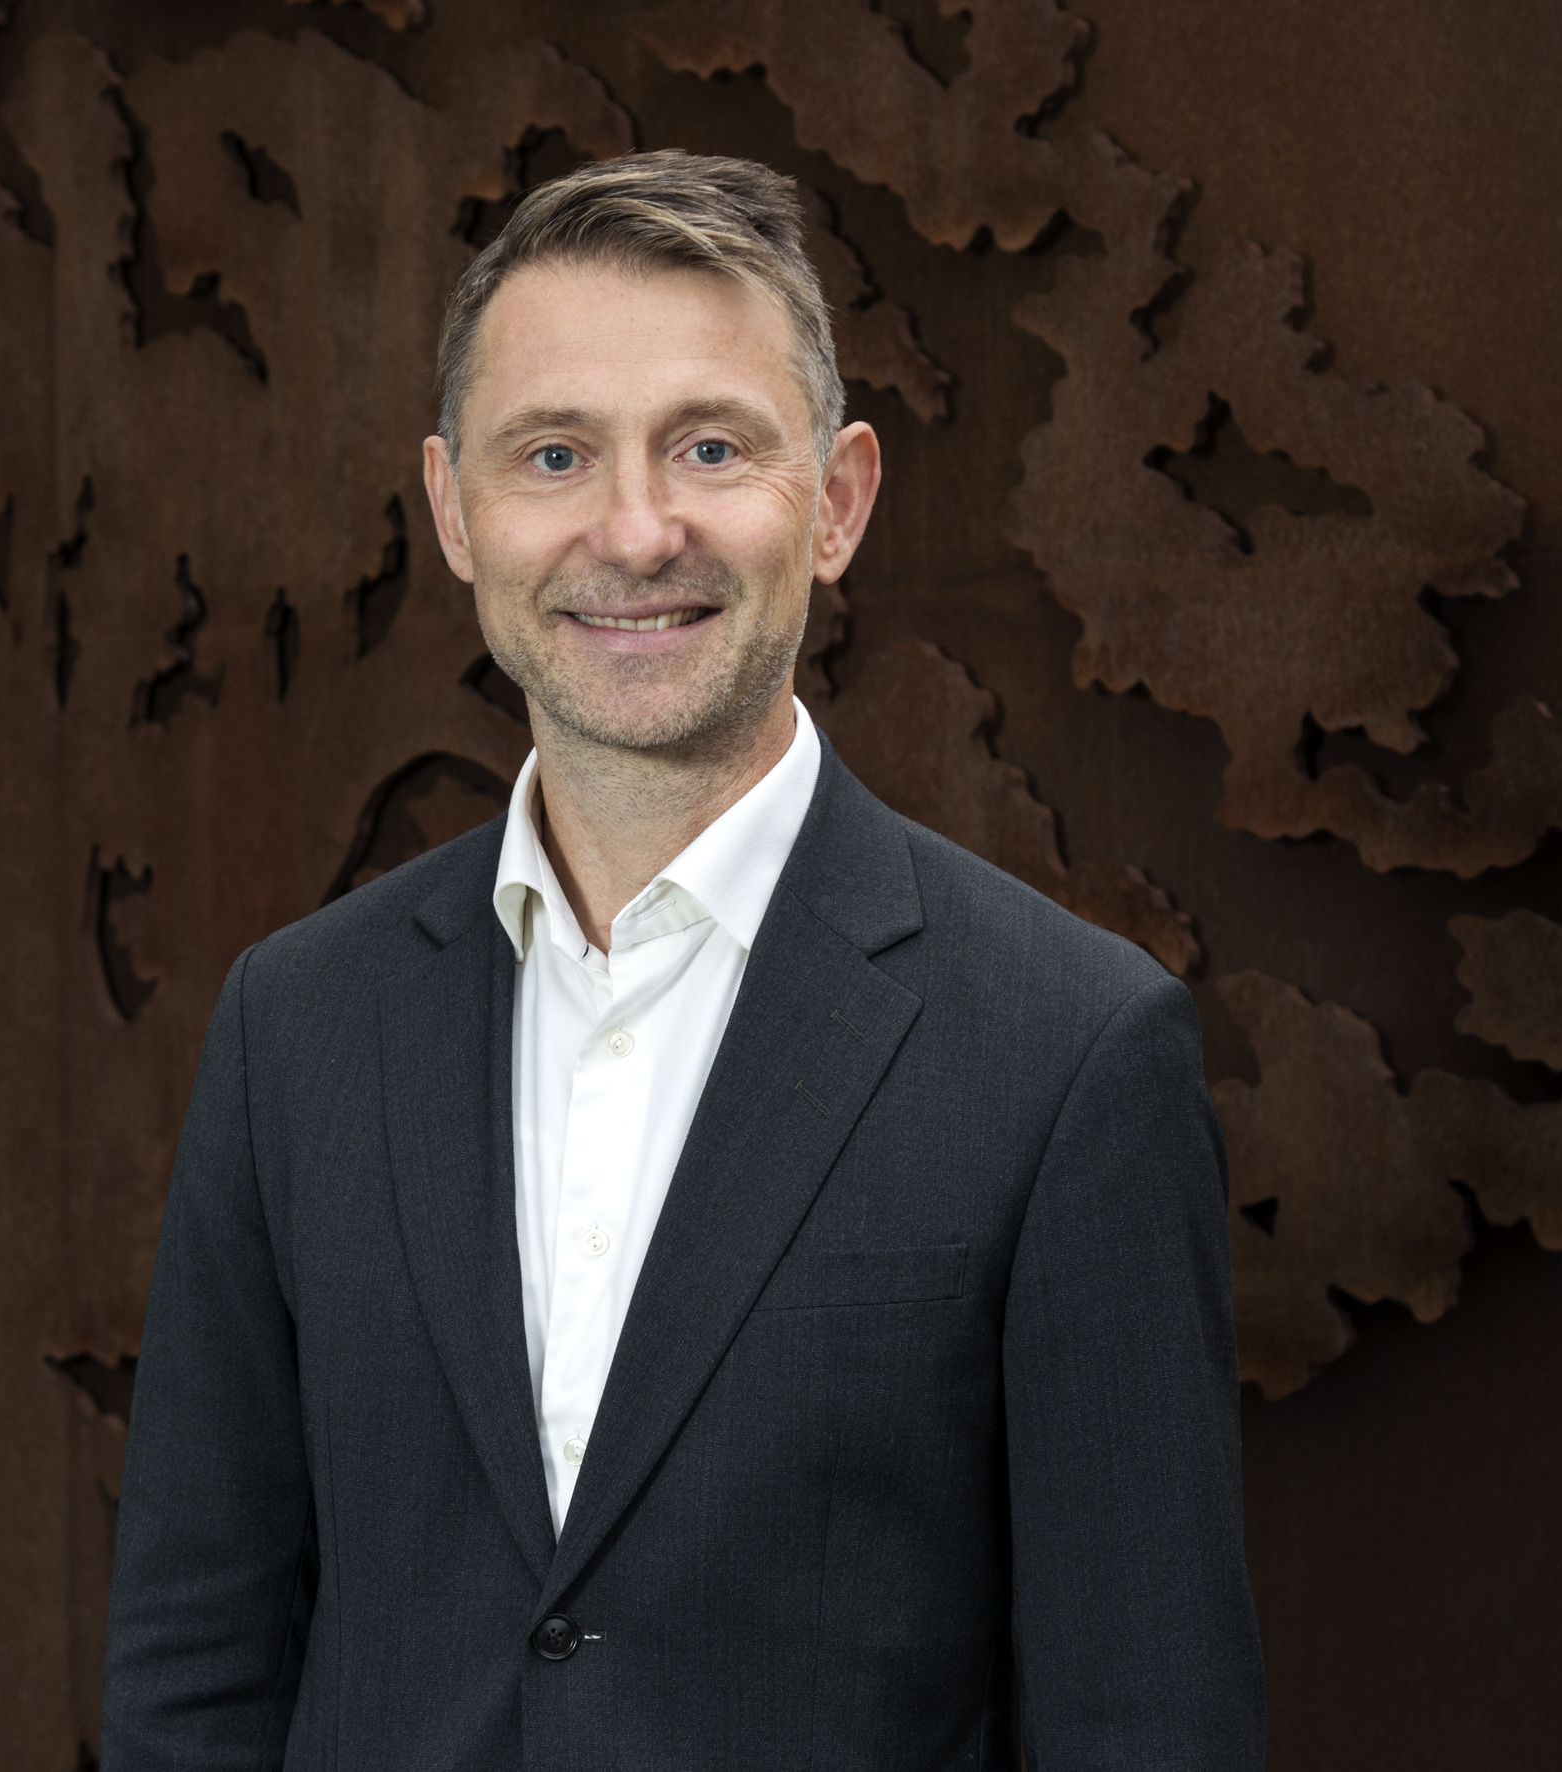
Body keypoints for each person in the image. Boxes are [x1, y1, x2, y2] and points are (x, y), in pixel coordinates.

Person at [100, 149, 1263, 1770]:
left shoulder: (1069, 1051)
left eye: (710, 446)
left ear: (837, 500)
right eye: (554, 454)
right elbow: (193, 1666)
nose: (637, 531)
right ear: (455, 510)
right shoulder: (296, 1025)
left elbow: (1145, 1718)